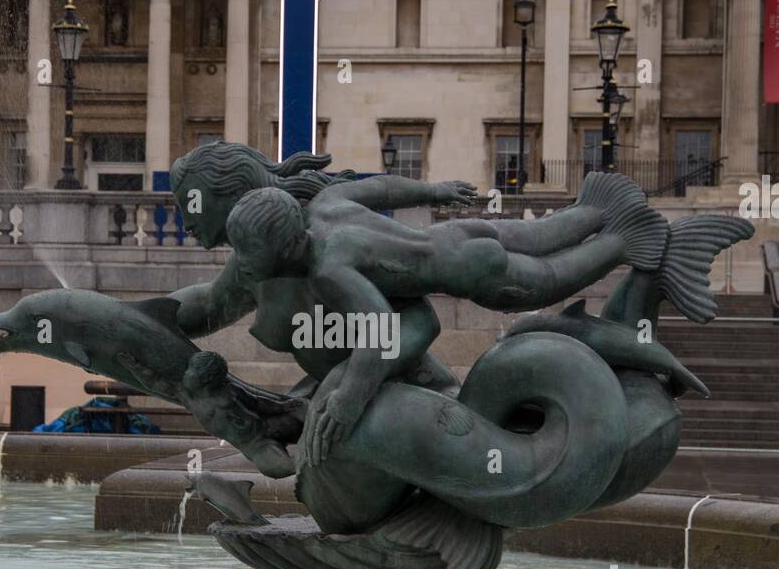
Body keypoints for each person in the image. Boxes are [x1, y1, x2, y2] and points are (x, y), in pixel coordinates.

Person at [222, 171, 669, 464]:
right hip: (455, 235)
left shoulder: (328, 268)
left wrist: (350, 397)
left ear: (283, 247)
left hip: (475, 273)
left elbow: (379, 330)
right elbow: (382, 189)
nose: (240, 264)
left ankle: (625, 242)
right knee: (539, 234)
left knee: (550, 276)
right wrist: (435, 191)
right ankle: (597, 206)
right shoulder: (323, 205)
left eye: (248, 253)